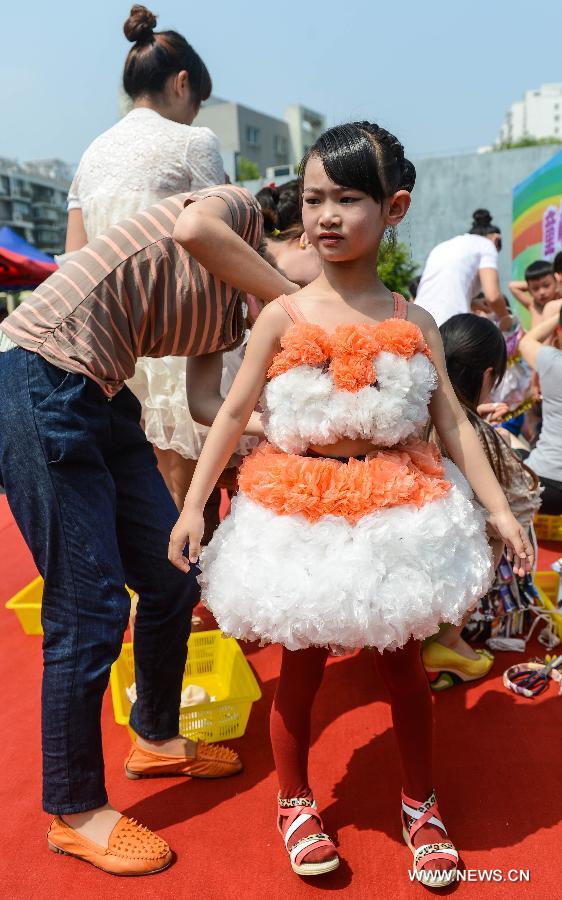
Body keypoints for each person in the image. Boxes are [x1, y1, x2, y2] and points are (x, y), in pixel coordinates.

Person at [169, 123, 532, 888]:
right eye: (312, 199)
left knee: (404, 671)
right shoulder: (283, 314)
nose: (326, 214)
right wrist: (194, 505)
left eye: (348, 197)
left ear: (393, 207)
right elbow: (231, 415)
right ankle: (295, 800)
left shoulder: (413, 317)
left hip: (395, 513)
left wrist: (499, 509)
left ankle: (418, 802)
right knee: (299, 671)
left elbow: (454, 427)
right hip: (298, 514)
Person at [0, 184, 298, 875]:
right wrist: (292, 297)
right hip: (41, 378)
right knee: (89, 607)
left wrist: (281, 429)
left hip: (103, 396)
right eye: (313, 271)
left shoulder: (236, 317)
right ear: (290, 238)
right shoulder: (236, 211)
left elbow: (204, 402)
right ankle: (74, 811)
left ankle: (156, 738)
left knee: (173, 575)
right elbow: (194, 227)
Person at [64, 4, 242, 519]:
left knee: (140, 510)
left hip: (107, 351)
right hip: (180, 342)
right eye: (197, 102)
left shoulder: (91, 153)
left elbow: (74, 258)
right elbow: (222, 240)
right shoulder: (193, 142)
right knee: (194, 510)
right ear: (183, 83)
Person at [421, 314, 542, 688]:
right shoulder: (473, 431)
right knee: (498, 529)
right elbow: (522, 498)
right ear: (488, 376)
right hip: (444, 569)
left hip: (399, 561)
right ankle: (447, 640)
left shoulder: (413, 411)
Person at [414, 209, 506, 326]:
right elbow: (493, 296)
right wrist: (505, 318)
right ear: (496, 239)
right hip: (449, 324)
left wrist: (472, 302)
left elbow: (441, 291)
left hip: (417, 319)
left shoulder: (444, 246)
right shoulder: (487, 245)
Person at [519, 302, 562, 514]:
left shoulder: (554, 362)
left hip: (543, 483)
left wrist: (557, 317)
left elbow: (526, 341)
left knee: (503, 437)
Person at [508, 260, 559, 328]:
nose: (541, 292)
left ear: (556, 282)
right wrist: (530, 286)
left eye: (546, 285)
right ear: (529, 290)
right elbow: (512, 286)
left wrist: (558, 281)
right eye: (535, 288)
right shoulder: (533, 305)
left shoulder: (559, 302)